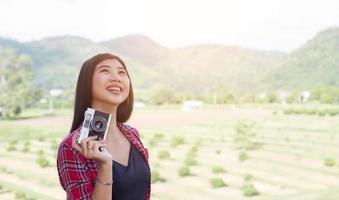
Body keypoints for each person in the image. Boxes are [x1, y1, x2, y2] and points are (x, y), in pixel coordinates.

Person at [56, 53, 151, 200]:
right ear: (87, 82)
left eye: (122, 72)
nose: (116, 78)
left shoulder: (132, 134)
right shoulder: (72, 147)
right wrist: (105, 167)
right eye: (105, 70)